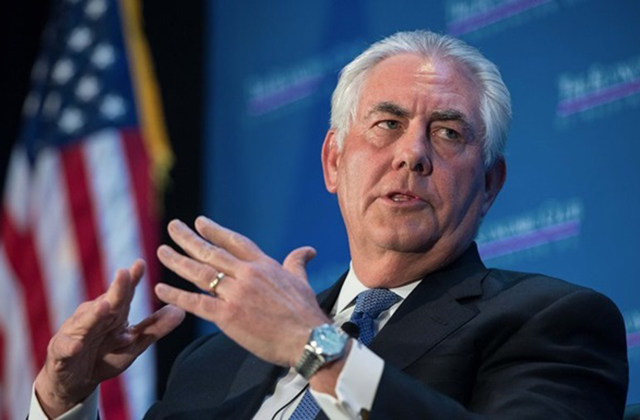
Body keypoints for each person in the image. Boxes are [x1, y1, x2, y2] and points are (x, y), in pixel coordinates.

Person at [30, 30, 628, 420]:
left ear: (490, 185)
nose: (412, 154)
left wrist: (314, 347)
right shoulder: (213, 363)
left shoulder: (553, 323)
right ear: (334, 162)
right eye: (387, 124)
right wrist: (61, 402)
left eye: (448, 133)